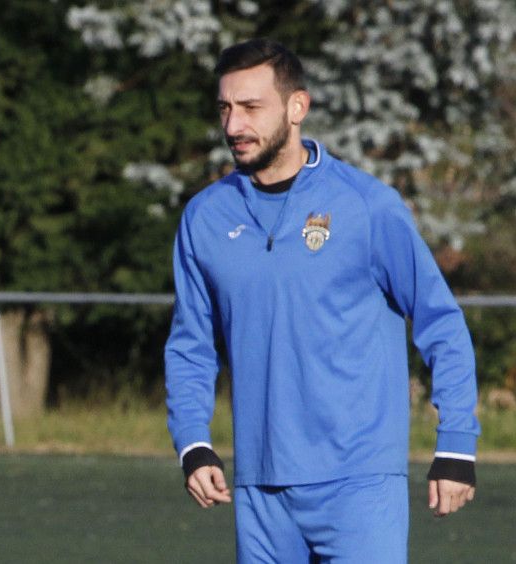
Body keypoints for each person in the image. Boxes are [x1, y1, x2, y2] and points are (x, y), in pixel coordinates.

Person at [164, 39, 479, 562]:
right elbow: (191, 344)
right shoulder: (204, 219)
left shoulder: (367, 206)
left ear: (297, 107)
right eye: (225, 108)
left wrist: (456, 445)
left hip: (359, 482)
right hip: (260, 489)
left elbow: (441, 323)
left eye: (250, 108)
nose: (233, 126)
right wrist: (192, 442)